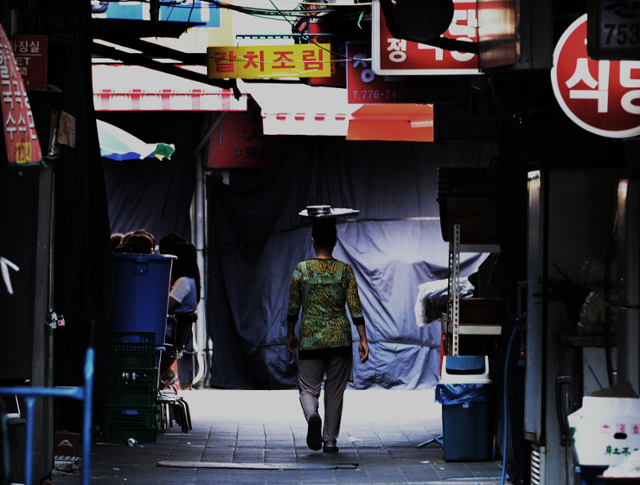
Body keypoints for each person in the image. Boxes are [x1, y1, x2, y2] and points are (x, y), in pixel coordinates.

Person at [287, 218, 369, 453]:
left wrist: (291, 333)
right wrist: (363, 339)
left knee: (308, 389)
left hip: (311, 339)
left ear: (313, 241)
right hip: (339, 340)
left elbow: (293, 307)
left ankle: (313, 415)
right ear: (334, 241)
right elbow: (355, 307)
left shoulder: (301, 270)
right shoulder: (345, 271)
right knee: (335, 393)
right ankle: (330, 441)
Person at [159, 241, 200, 388]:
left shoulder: (183, 282)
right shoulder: (191, 281)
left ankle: (167, 373)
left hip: (167, 335)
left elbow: (164, 309)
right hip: (174, 335)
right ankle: (167, 372)